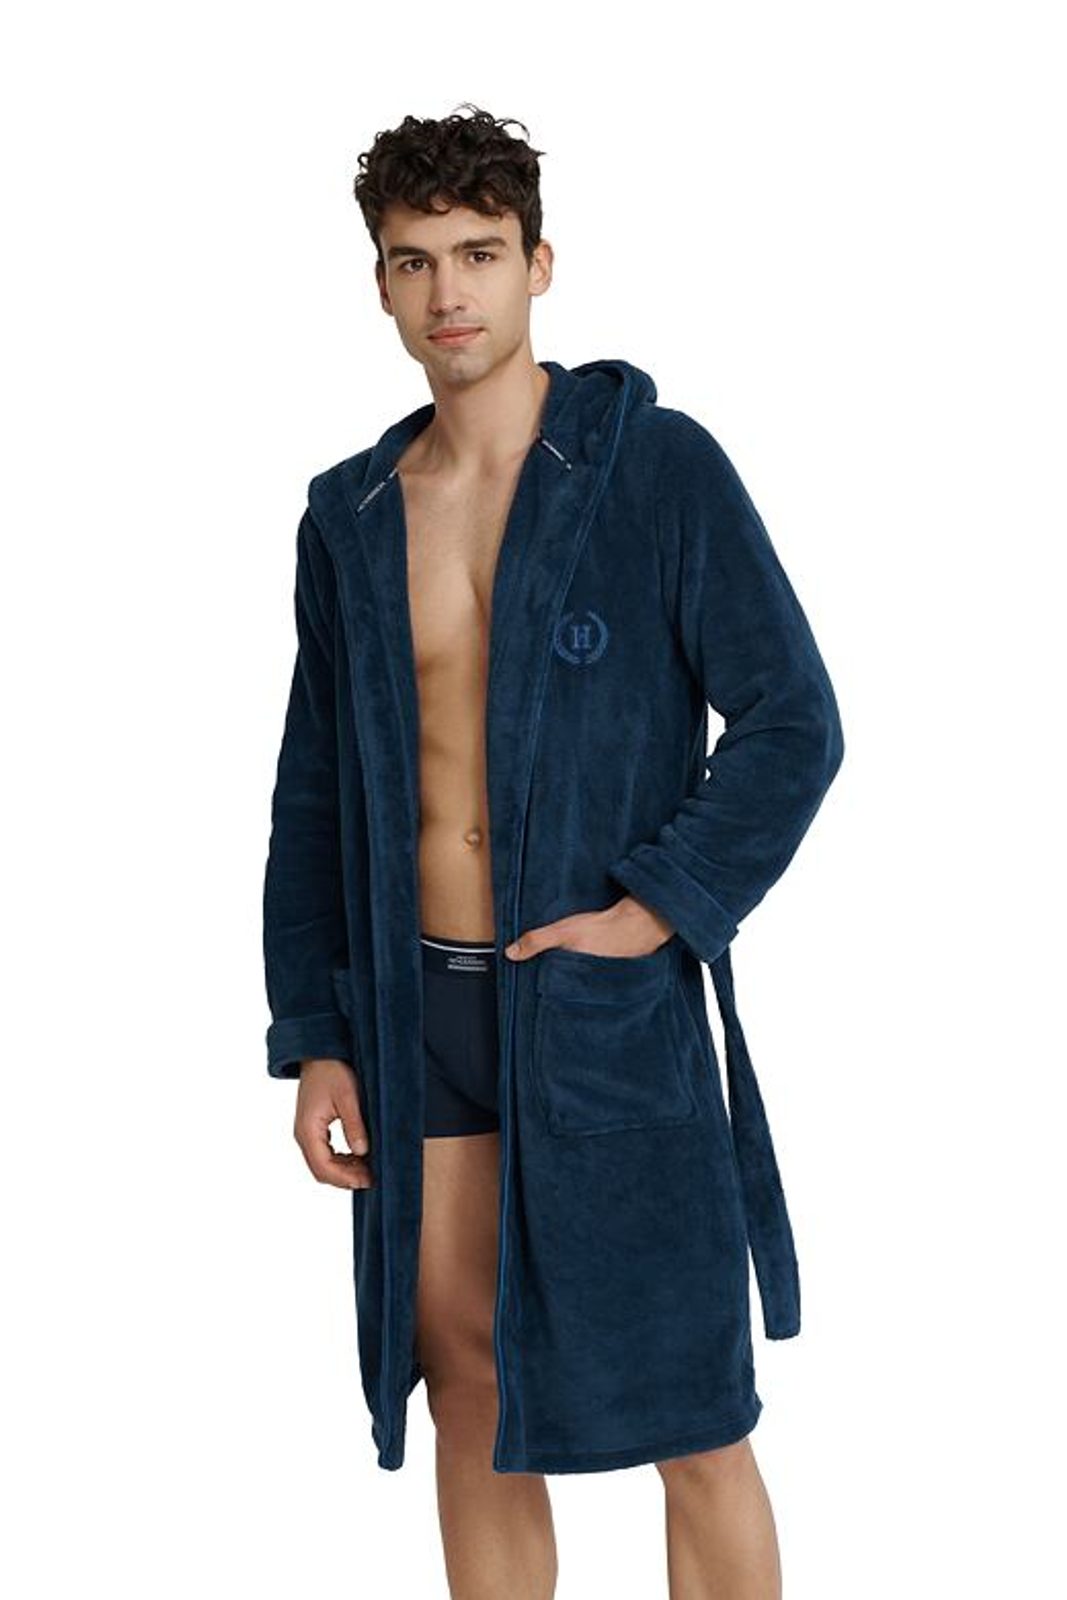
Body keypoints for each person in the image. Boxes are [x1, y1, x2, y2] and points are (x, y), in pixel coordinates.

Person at [262, 103, 845, 1599]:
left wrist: (660, 907)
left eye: (478, 252)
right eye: (414, 261)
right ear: (380, 286)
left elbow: (792, 720)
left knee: (691, 1409)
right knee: (468, 1379)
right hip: (421, 1008)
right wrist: (318, 1036)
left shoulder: (653, 469)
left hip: (600, 1003)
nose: (448, 291)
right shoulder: (350, 518)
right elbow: (313, 798)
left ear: (538, 264)